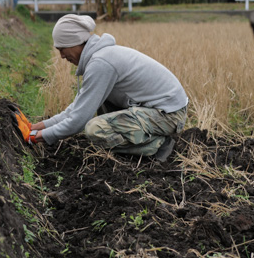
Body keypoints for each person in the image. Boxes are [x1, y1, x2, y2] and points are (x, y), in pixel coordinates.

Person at [28, 14, 189, 162]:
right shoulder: (100, 58)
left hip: (169, 114)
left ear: (74, 42)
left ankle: (158, 144)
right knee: (101, 104)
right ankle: (147, 138)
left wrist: (37, 137)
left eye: (61, 49)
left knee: (94, 130)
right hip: (158, 110)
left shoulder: (101, 63)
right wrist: (38, 127)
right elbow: (77, 109)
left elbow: (78, 121)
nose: (62, 56)